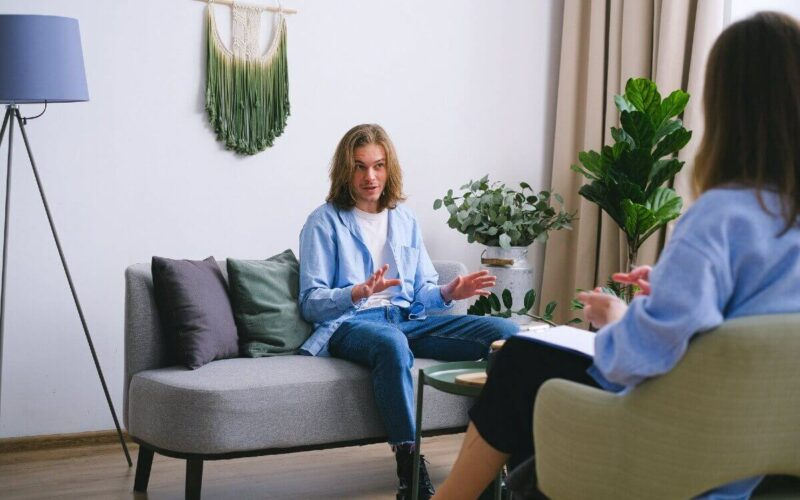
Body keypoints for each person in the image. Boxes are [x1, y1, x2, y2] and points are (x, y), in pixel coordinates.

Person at [433, 11, 800, 500]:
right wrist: (672, 285)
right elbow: (754, 328)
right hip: (761, 456)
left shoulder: (721, 216)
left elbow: (639, 358)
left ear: (726, 107)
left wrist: (618, 316)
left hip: (681, 453)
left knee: (520, 361)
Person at [298, 123, 519, 499]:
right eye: (360, 166)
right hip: (352, 324)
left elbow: (422, 292)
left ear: (389, 168)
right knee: (391, 344)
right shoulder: (324, 221)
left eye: (378, 165)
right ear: (345, 171)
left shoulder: (404, 219)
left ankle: (492, 464)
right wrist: (357, 292)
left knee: (506, 335)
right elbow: (311, 302)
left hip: (407, 320)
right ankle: (410, 471)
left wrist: (450, 291)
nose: (371, 176)